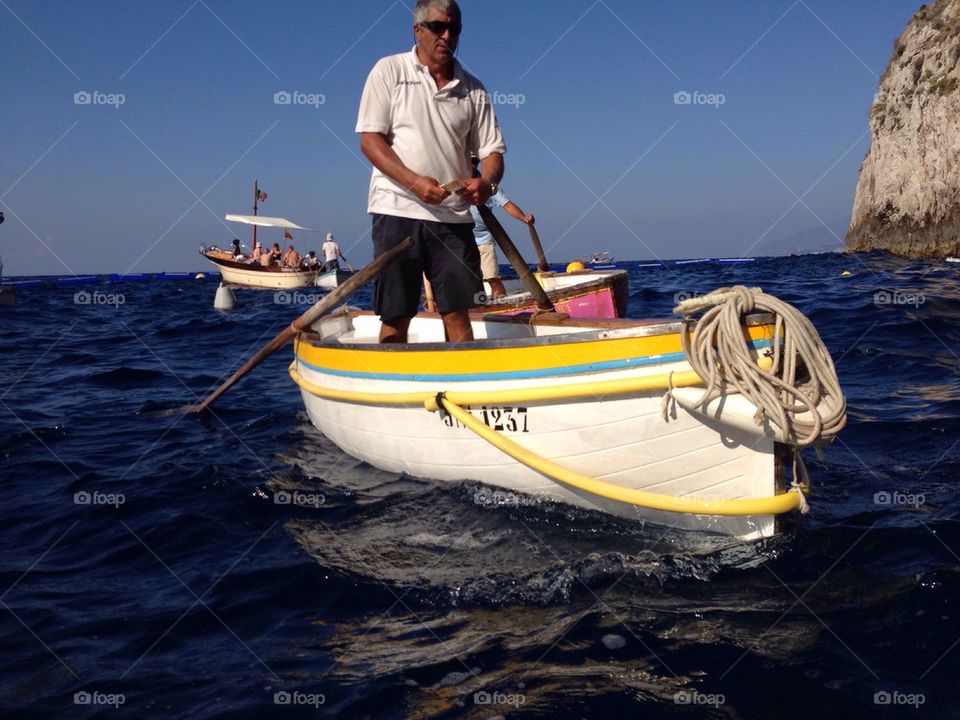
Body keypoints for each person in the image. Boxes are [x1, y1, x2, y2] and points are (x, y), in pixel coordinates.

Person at [357, 0, 505, 343]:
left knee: (459, 311)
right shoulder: (389, 71)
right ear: (417, 30)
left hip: (452, 219)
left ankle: (465, 390)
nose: (447, 36)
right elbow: (370, 141)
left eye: (455, 28)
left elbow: (493, 152)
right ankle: (391, 390)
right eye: (438, 27)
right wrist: (414, 182)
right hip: (396, 209)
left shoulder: (475, 89)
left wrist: (487, 182)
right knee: (396, 312)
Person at [468, 159, 534, 301]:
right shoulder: (455, 183)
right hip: (463, 240)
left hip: (483, 239)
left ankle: (501, 305)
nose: (471, 164)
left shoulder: (490, 186)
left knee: (491, 277)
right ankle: (475, 309)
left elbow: (507, 205)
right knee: (468, 279)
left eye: (474, 161)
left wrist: (523, 217)